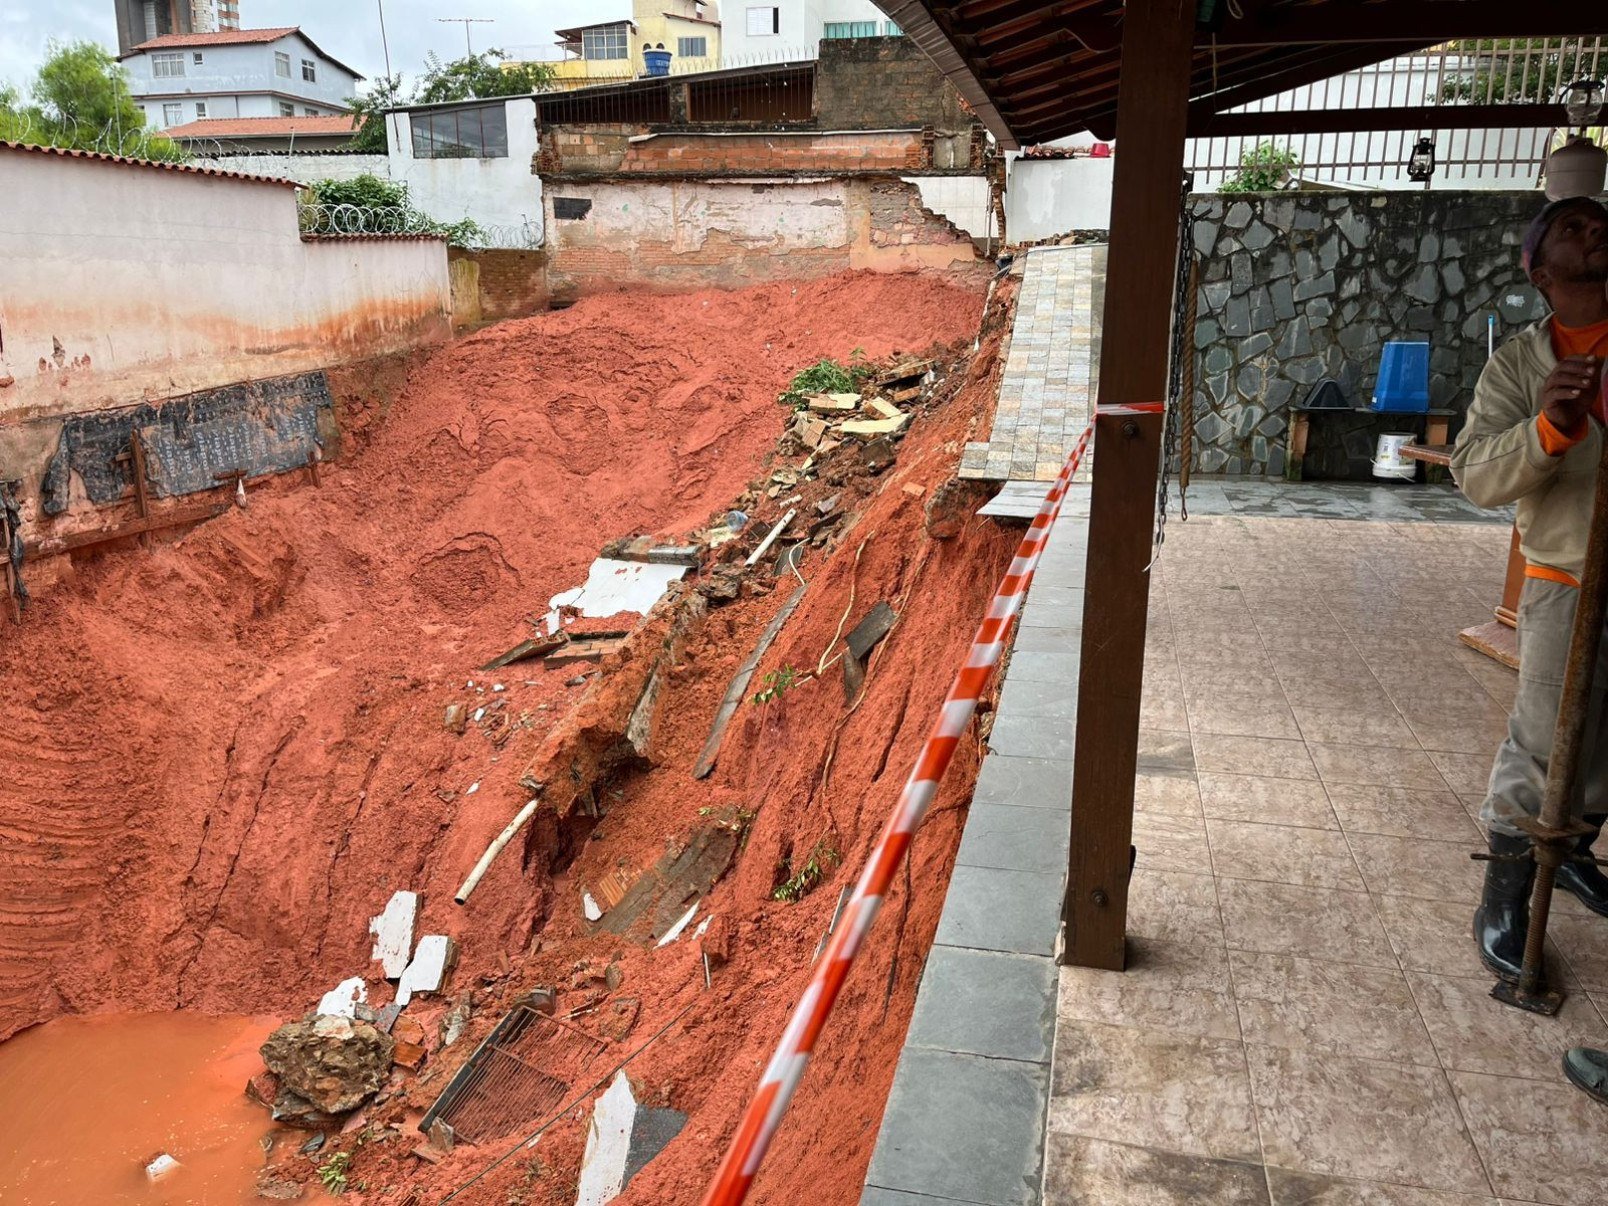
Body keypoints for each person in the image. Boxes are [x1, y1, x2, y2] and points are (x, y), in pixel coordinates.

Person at [1451, 196, 1608, 982]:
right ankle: (1506, 895)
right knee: (1545, 740)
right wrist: (1548, 430)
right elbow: (1475, 472)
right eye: (1572, 227)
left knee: (1605, 742)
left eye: (1598, 220)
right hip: (1567, 573)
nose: (1594, 228)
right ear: (1543, 273)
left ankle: (1570, 850)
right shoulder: (1520, 364)